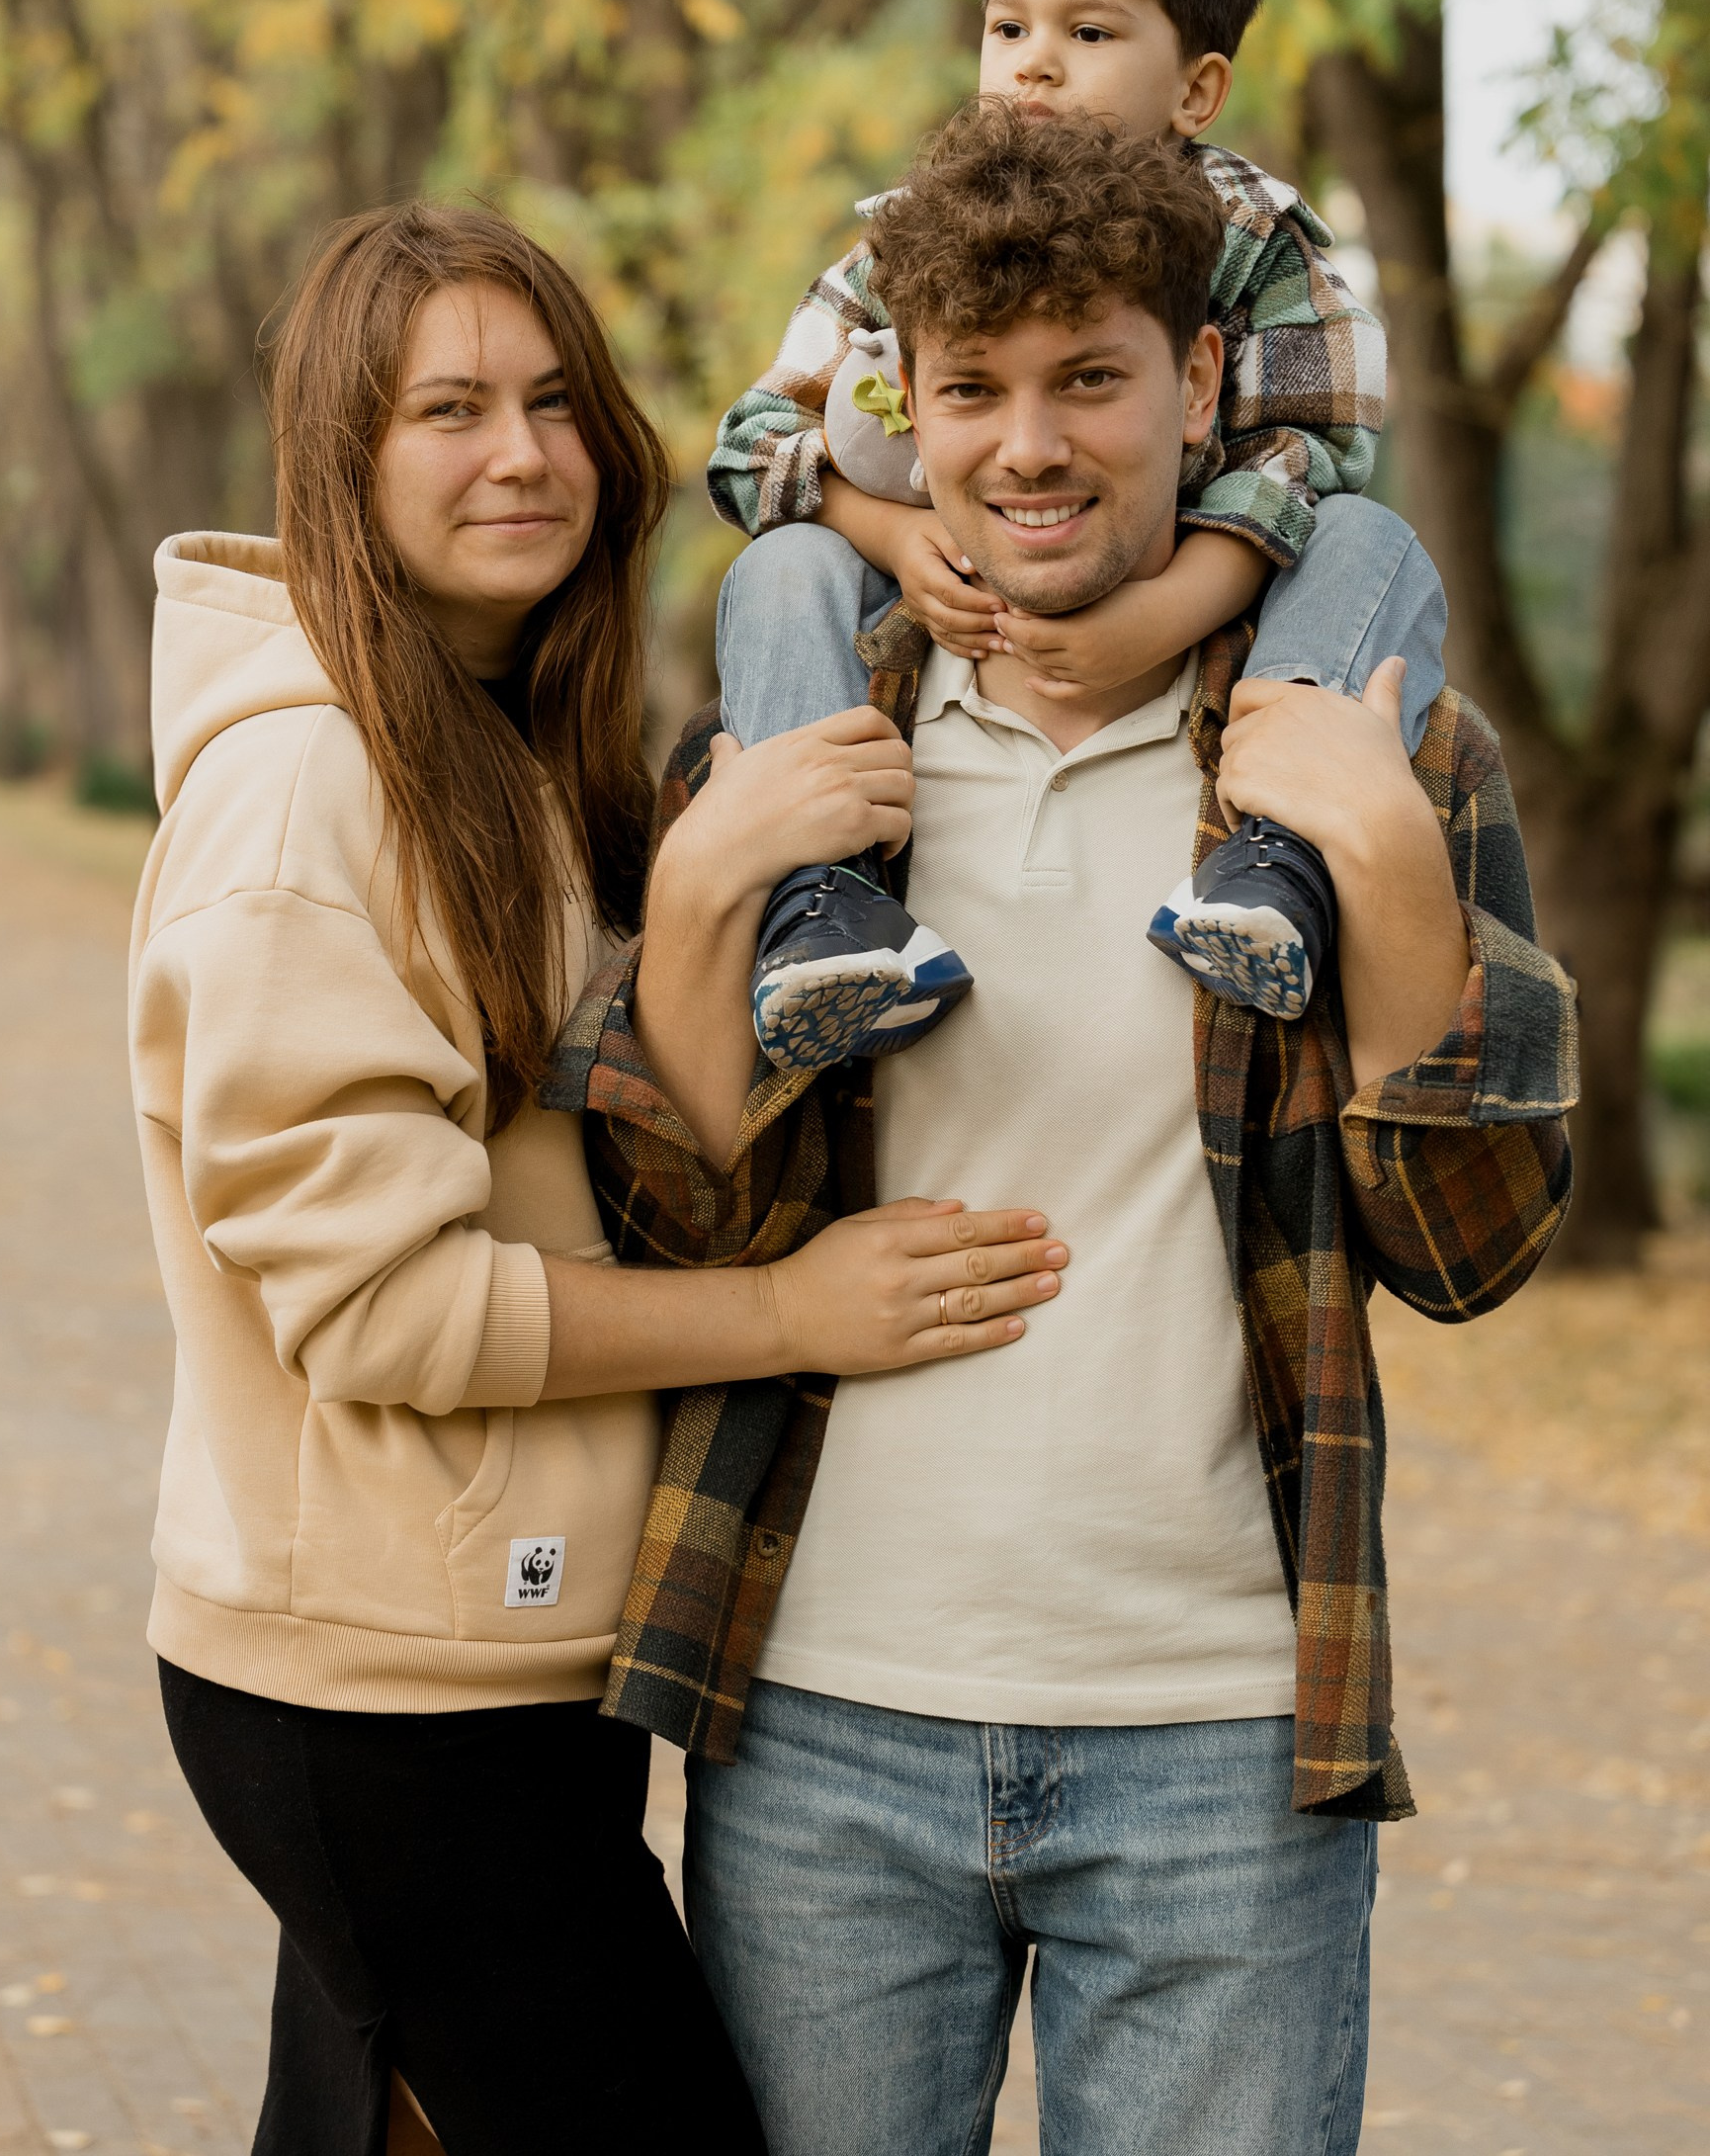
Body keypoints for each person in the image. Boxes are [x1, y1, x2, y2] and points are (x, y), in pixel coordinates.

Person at [551, 110, 1577, 2156]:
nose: (1028, 443)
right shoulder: (799, 727)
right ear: (902, 410)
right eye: (974, 390)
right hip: (823, 1722)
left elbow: (1469, 1250)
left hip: (1218, 1747)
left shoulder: (1357, 733)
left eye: (1088, 379)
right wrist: (691, 905)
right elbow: (667, 1221)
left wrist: (1375, 867)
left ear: (1199, 383)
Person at [127, 203, 1067, 2156]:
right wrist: (793, 1313)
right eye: (448, 410)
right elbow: (389, 1305)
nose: (524, 453)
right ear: (344, 462)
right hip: (384, 1698)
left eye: (554, 400)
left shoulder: (496, 756)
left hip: (481, 1653)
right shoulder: (310, 791)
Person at [710, 0, 1440, 1071]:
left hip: (1193, 580)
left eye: (1090, 32)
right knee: (780, 564)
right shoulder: (918, 234)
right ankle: (817, 900)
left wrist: (1163, 614)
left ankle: (1276, 859)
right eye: (1008, 26)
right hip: (950, 586)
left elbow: (1319, 446)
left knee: (1376, 544)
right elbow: (749, 446)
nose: (1034, 60)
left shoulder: (1251, 233)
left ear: (1195, 90)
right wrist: (889, 533)